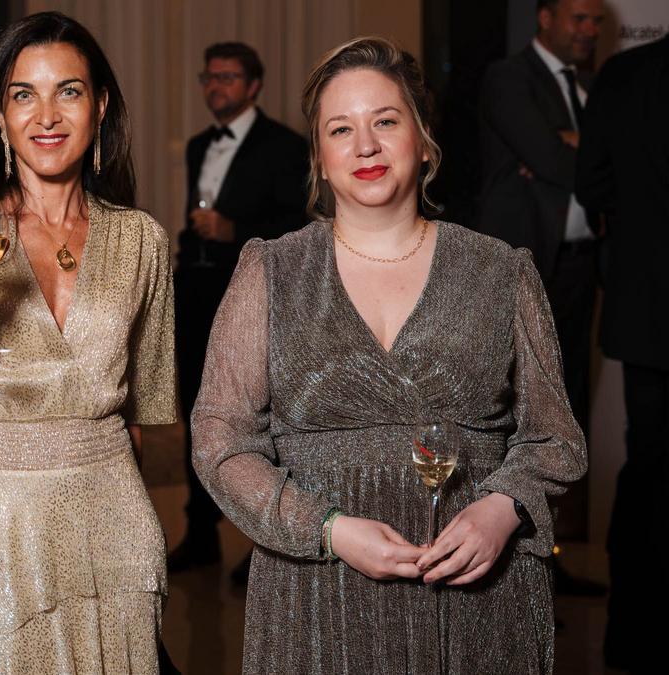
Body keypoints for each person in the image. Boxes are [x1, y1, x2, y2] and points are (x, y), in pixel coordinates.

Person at [192, 36, 586, 673]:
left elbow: (555, 439)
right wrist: (327, 529)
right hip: (314, 601)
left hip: (480, 601)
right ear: (320, 159)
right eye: (340, 129)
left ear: (423, 140)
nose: (365, 146)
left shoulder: (501, 271)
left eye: (385, 121)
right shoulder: (270, 271)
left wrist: (503, 508)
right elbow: (220, 441)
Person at [0, 11, 175, 672]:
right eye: (23, 94)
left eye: (68, 91)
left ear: (100, 106)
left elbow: (141, 422)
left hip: (116, 536)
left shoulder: (142, 239)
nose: (46, 116)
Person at [169, 41, 309, 576]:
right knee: (198, 407)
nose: (215, 86)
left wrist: (234, 231)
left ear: (253, 86)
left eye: (227, 77)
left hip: (255, 292)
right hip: (198, 288)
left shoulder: (285, 146)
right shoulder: (199, 144)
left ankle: (264, 538)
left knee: (261, 412)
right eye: (209, 77)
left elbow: (299, 225)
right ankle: (201, 531)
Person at [477, 0, 604, 545]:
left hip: (580, 264)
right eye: (579, 18)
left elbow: (594, 165)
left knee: (566, 409)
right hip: (529, 267)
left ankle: (555, 550)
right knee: (520, 407)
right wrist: (575, 152)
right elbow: (553, 160)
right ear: (546, 18)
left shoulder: (589, 85)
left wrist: (574, 146)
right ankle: (512, 544)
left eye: (596, 21)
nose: (590, 30)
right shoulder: (509, 77)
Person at [575, 34, 669, 674]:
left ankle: (632, 633)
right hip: (647, 311)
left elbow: (592, 182)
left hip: (647, 309)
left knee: (647, 468)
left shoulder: (624, 73)